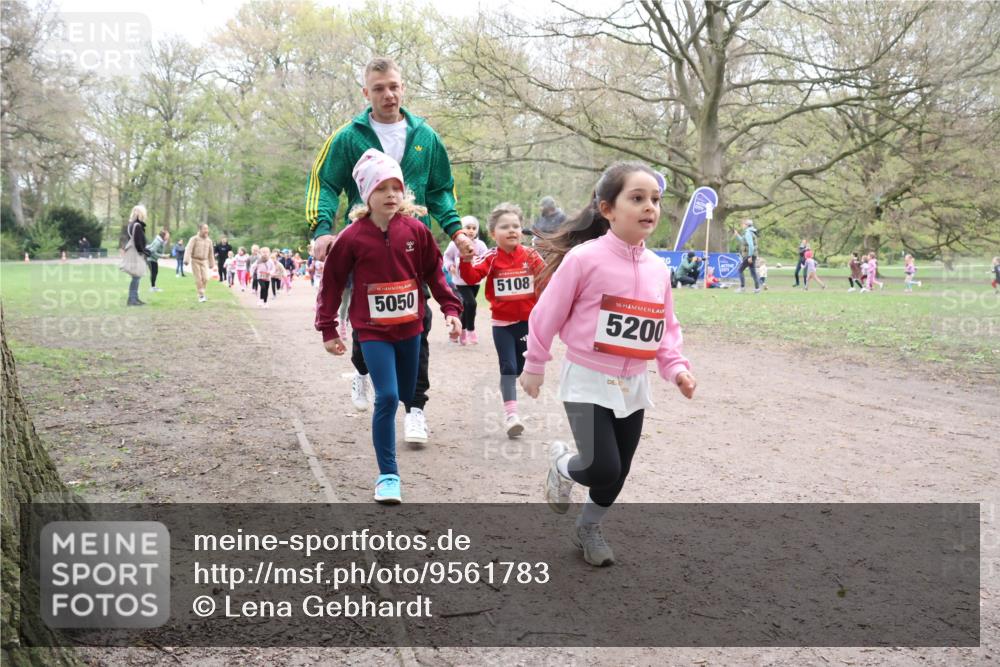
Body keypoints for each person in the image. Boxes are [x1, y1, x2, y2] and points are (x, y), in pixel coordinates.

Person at [520, 162, 697, 567]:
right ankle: (563, 465)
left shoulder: (657, 268)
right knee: (602, 466)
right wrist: (535, 362)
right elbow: (547, 312)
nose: (649, 207)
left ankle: (588, 528)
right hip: (586, 378)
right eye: (637, 198)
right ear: (607, 209)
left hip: (632, 383)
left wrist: (677, 368)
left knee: (617, 474)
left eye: (655, 199)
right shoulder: (584, 259)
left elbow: (666, 327)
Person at [305, 56, 475, 444]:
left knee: (420, 325)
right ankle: (362, 371)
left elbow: (441, 189)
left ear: (403, 88)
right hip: (364, 248)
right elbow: (325, 183)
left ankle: (415, 408)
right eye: (379, 88)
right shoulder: (348, 136)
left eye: (394, 86)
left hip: (412, 247)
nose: (388, 94)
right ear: (366, 93)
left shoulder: (425, 136)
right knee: (368, 330)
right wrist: (322, 228)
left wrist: (455, 231)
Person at [315, 149, 462, 504]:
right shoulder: (352, 237)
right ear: (367, 194)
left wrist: (450, 308)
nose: (392, 195)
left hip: (410, 329)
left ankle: (377, 388)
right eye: (382, 188)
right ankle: (388, 476)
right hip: (372, 330)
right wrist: (328, 328)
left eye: (397, 187)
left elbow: (434, 273)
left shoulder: (416, 231)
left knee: (407, 392)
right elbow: (332, 284)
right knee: (388, 397)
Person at [459, 202, 545, 438]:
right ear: (493, 232)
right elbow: (472, 276)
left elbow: (548, 280)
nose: (511, 231)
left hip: (529, 324)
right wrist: (465, 261)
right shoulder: (491, 256)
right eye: (504, 227)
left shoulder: (531, 255)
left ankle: (520, 384)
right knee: (507, 367)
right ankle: (512, 416)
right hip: (502, 325)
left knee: (519, 368)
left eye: (516, 226)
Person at [443, 216, 489, 345]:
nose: (471, 231)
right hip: (460, 280)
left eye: (474, 228)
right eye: (468, 228)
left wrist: (482, 269)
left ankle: (459, 331)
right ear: (462, 229)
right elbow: (447, 257)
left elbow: (486, 259)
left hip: (475, 281)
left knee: (467, 307)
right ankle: (470, 330)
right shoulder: (454, 244)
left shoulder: (480, 245)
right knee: (471, 303)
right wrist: (450, 266)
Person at [121, 205, 150, 306]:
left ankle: (134, 298)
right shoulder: (137, 225)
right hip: (136, 253)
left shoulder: (131, 224)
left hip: (133, 252)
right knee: (136, 277)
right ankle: (132, 300)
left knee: (136, 277)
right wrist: (144, 251)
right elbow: (138, 242)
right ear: (141, 214)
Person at [184, 225, 216, 302]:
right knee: (199, 279)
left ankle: (201, 293)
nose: (206, 230)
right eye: (205, 229)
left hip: (204, 261)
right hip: (195, 260)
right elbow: (188, 249)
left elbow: (211, 253)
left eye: (207, 229)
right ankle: (201, 296)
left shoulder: (209, 241)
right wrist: (186, 260)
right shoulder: (194, 239)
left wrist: (212, 263)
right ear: (200, 230)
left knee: (205, 278)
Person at [734, 219, 761, 293]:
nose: (742, 225)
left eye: (743, 224)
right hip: (753, 255)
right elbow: (742, 240)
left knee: (740, 270)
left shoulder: (748, 233)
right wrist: (737, 235)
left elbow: (751, 246)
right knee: (753, 272)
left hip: (749, 255)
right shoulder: (751, 232)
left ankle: (742, 288)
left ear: (746, 225)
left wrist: (749, 257)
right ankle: (757, 289)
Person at [145, 229, 170, 293]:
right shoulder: (158, 242)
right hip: (151, 259)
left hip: (152, 259)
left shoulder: (160, 241)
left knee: (154, 273)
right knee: (154, 273)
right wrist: (163, 256)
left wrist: (165, 243)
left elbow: (158, 249)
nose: (168, 237)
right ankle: (152, 288)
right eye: (167, 235)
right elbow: (153, 252)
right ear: (163, 236)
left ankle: (153, 287)